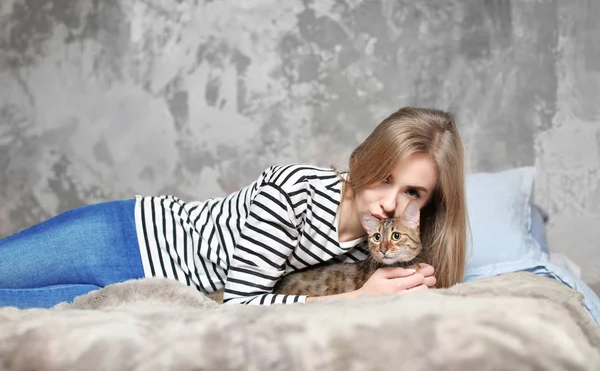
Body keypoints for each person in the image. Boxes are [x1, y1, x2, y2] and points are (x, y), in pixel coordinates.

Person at [0, 106, 467, 308]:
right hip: (122, 238)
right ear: (368, 157)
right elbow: (243, 303)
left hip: (146, 293)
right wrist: (360, 299)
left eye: (413, 192)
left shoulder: (369, 251)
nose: (391, 202)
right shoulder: (296, 191)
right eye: (387, 177)